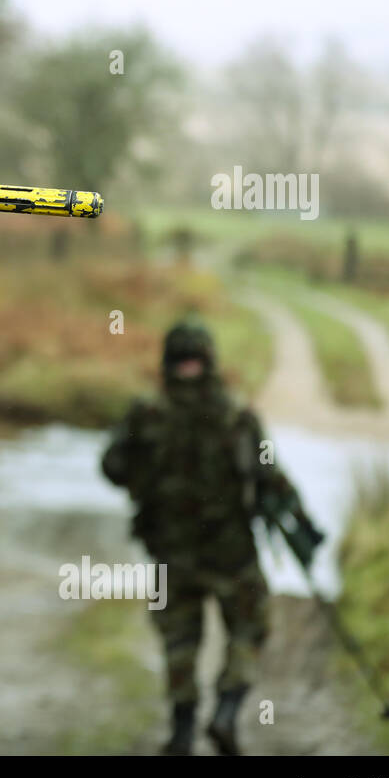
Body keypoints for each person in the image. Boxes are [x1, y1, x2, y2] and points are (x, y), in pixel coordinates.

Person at [100, 318, 319, 755]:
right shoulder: (238, 416)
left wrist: (147, 475)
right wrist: (302, 521)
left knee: (179, 640)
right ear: (210, 361)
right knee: (249, 627)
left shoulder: (145, 414)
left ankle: (182, 733)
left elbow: (111, 466)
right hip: (230, 553)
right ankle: (225, 713)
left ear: (168, 363)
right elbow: (270, 474)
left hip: (169, 553)